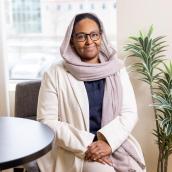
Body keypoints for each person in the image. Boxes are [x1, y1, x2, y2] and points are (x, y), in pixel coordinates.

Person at [36, 13, 146, 172]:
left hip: (114, 143)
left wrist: (108, 143)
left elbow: (129, 113)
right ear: (71, 41)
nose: (89, 41)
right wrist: (91, 145)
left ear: (101, 37)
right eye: (81, 36)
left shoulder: (117, 69)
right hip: (75, 150)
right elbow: (47, 121)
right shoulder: (55, 73)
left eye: (94, 35)